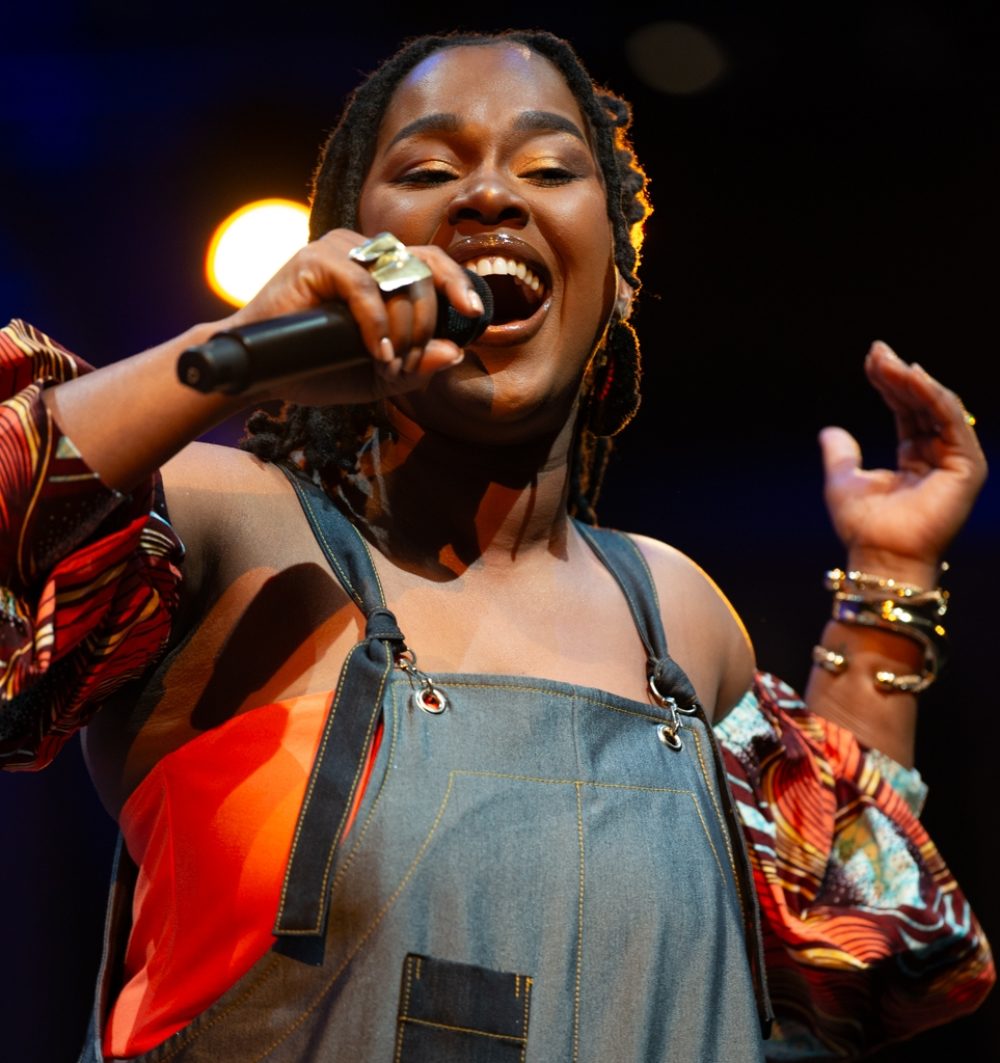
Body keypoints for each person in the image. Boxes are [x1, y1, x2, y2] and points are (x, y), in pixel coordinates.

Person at [0, 27, 994, 1062]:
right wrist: (235, 354)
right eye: (428, 170)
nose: (488, 195)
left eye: (549, 169)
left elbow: (848, 928)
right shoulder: (237, 527)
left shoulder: (673, 615)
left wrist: (889, 578)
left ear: (618, 277)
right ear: (347, 252)